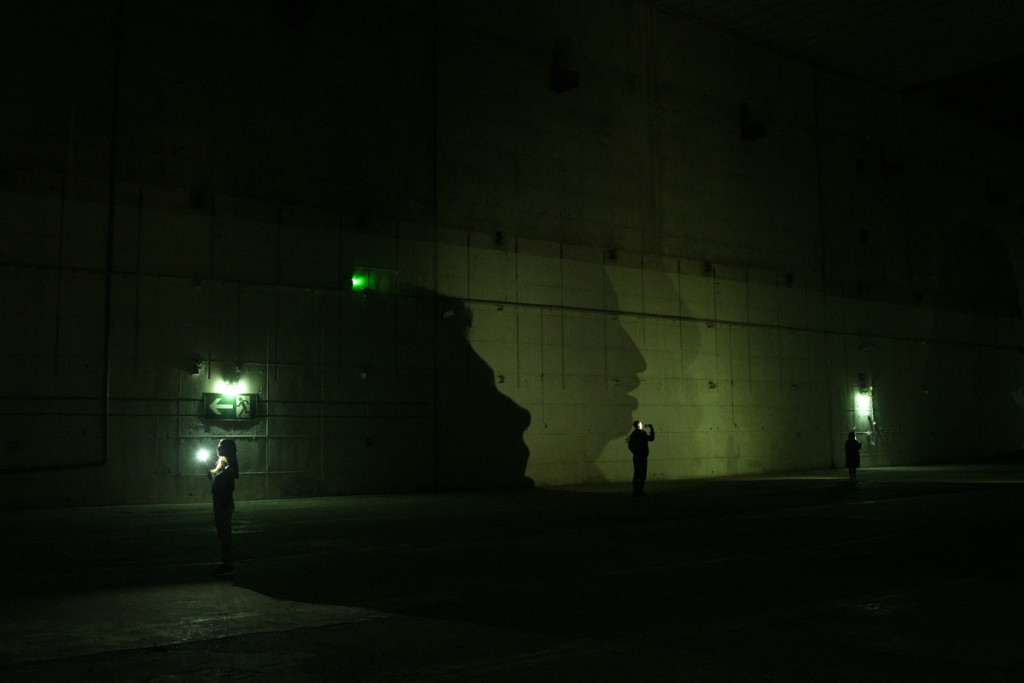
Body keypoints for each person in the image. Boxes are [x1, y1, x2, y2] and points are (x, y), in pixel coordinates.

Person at [208, 438, 240, 575]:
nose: (218, 448)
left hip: (223, 502)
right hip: (219, 502)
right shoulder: (221, 464)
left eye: (220, 446)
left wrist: (223, 505)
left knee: (225, 533)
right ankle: (226, 558)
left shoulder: (229, 466)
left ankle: (228, 563)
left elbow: (230, 484)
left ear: (227, 449)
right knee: (222, 533)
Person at [627, 420, 655, 497]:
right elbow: (651, 438)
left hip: (636, 457)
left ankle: (635, 491)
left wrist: (635, 452)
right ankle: (640, 491)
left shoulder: (633, 434)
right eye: (641, 424)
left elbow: (630, 445)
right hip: (642, 457)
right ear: (639, 425)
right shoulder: (642, 434)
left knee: (636, 474)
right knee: (642, 475)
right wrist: (651, 428)